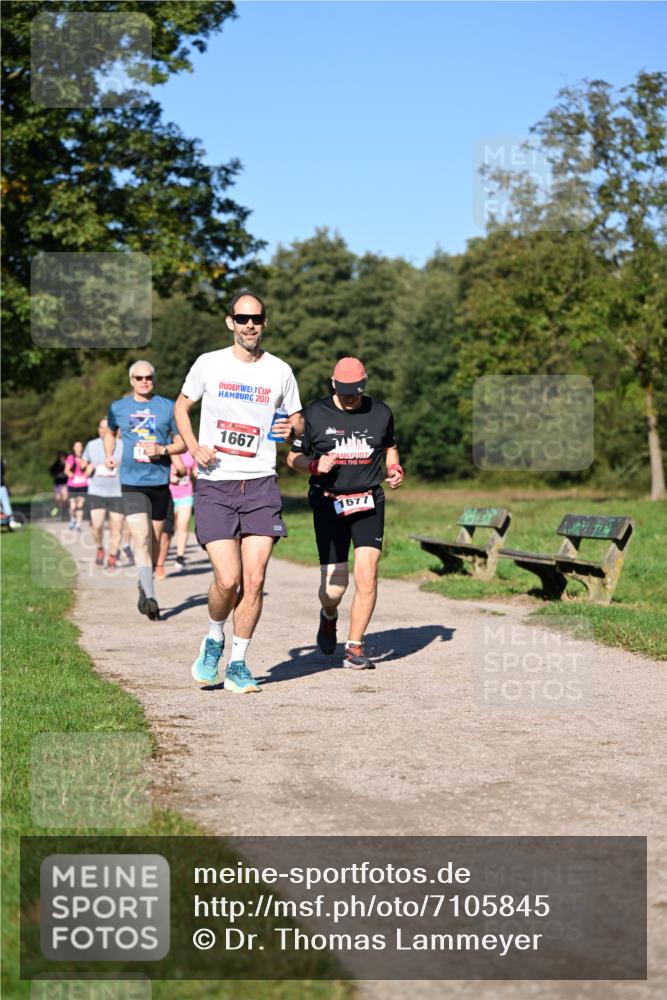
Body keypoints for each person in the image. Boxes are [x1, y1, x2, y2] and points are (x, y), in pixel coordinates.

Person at [174, 290, 303, 692]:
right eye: (243, 318)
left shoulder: (280, 370)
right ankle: (214, 636)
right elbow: (181, 406)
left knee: (256, 578)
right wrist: (194, 447)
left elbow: (296, 419)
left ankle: (239, 663)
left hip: (261, 483)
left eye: (258, 318)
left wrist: (291, 429)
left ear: (265, 323)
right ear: (230, 321)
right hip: (216, 483)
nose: (250, 325)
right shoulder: (208, 364)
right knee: (227, 580)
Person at [287, 357, 404, 669]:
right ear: (333, 384)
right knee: (334, 587)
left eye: (356, 392)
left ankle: (354, 646)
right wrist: (312, 465)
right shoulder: (315, 413)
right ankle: (329, 615)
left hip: (368, 501)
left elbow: (389, 446)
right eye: (345, 392)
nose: (351, 398)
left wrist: (393, 467)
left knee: (368, 571)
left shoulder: (380, 412)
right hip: (328, 503)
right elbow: (292, 458)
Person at [105, 361, 185, 620]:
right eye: (138, 378)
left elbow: (182, 442)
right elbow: (110, 432)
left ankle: (144, 581)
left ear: (154, 379)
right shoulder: (118, 407)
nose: (144, 381)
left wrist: (162, 450)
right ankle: (150, 596)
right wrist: (109, 454)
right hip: (131, 482)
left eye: (148, 377)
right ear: (131, 380)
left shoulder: (167, 406)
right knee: (140, 537)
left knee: (154, 539)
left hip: (159, 482)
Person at [83, 418, 124, 569]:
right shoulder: (91, 445)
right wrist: (86, 467)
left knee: (116, 526)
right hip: (96, 490)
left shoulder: (122, 445)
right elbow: (83, 463)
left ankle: (112, 556)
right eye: (100, 428)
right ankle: (100, 548)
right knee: (97, 525)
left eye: (106, 428)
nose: (103, 431)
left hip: (117, 491)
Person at [64, 441, 89, 531]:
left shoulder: (85, 458)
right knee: (73, 505)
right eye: (76, 446)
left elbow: (89, 470)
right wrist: (74, 476)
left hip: (83, 484)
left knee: (80, 504)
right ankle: (72, 519)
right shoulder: (71, 458)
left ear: (82, 448)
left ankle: (78, 524)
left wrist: (85, 475)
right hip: (72, 484)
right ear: (73, 448)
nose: (78, 448)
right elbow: (66, 471)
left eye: (80, 446)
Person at [0, 458, 22, 530]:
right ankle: (11, 521)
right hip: (1, 487)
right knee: (6, 505)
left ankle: (7, 520)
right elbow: (3, 472)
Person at [48, 451, 69, 519]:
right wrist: (56, 475)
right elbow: (51, 472)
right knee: (57, 499)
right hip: (57, 483)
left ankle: (63, 511)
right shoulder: (56, 464)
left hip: (65, 483)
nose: (61, 458)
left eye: (62, 456)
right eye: (60, 456)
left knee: (64, 499)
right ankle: (58, 510)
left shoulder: (68, 463)